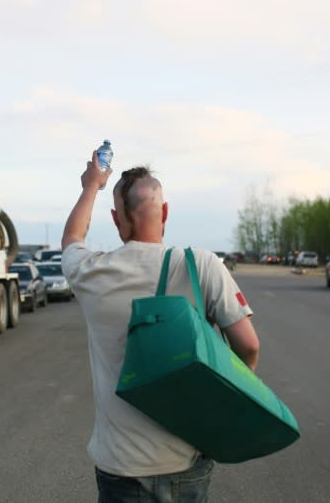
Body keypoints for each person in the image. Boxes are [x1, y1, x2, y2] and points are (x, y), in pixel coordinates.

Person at [61, 151, 260, 502]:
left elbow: (72, 239)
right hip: (185, 459)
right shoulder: (200, 265)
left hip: (121, 466)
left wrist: (91, 185)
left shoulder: (92, 272)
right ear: (165, 213)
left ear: (115, 219)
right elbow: (249, 346)